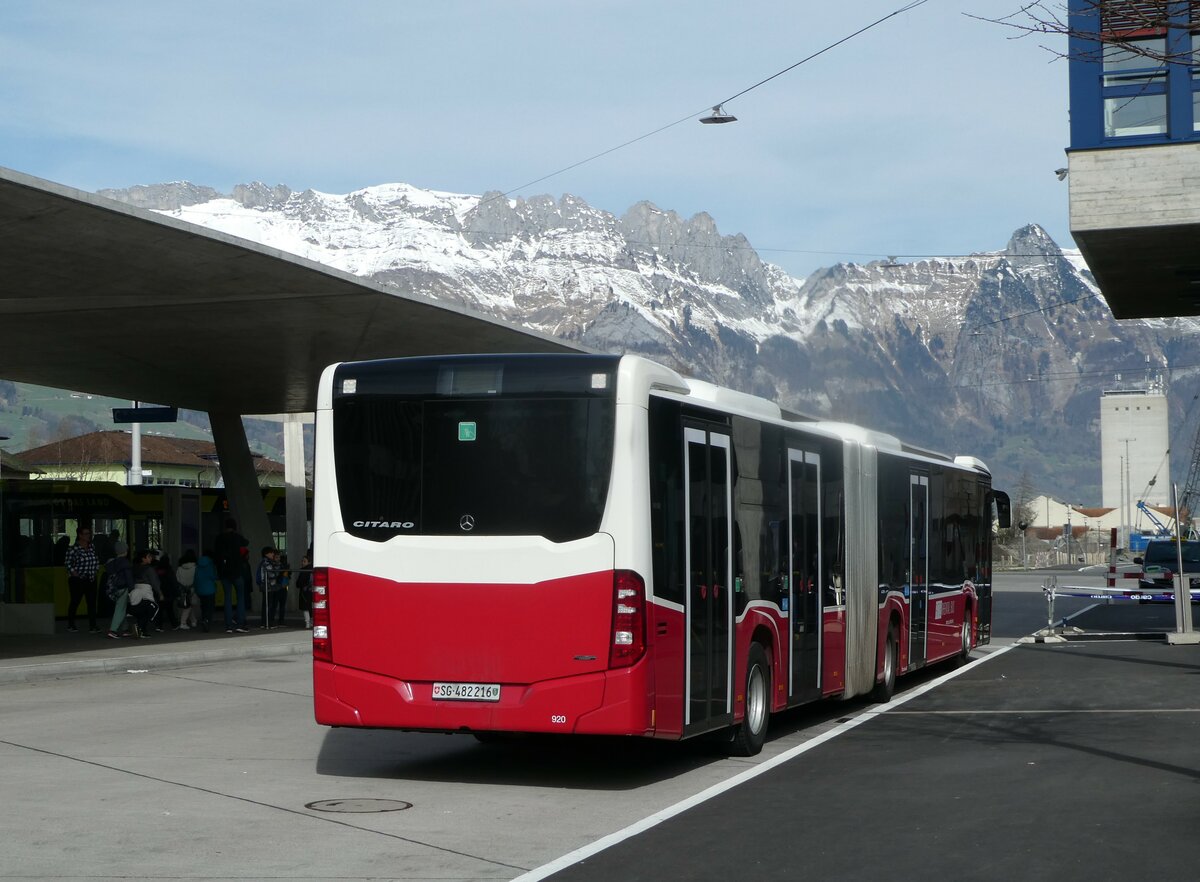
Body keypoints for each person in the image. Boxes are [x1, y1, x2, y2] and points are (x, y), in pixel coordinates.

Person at [212, 518, 249, 633]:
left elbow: (216, 555)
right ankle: (240, 624)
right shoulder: (237, 537)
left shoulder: (219, 538)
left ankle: (228, 626)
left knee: (227, 598)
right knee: (240, 598)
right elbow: (246, 543)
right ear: (235, 526)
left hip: (224, 573)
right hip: (237, 572)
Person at [63, 525, 100, 633]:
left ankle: (93, 626)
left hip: (91, 578)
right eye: (86, 534)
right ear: (80, 535)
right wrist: (74, 573)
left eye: (89, 533)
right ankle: (71, 624)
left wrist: (96, 569)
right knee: (75, 601)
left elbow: (96, 559)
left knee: (92, 603)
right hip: (78, 580)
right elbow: (67, 563)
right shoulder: (73, 548)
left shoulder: (92, 546)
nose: (89, 536)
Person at [127, 548, 161, 638]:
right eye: (149, 557)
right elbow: (154, 582)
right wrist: (160, 593)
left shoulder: (134, 567)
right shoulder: (149, 569)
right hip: (146, 591)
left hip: (135, 591)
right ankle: (140, 629)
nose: (151, 558)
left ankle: (141, 630)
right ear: (143, 558)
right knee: (151, 610)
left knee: (141, 611)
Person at [105, 541, 133, 639]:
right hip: (122, 588)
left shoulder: (111, 562)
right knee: (120, 609)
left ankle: (125, 629)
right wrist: (131, 589)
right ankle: (113, 630)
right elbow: (129, 577)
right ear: (125, 551)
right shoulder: (125, 562)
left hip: (113, 589)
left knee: (121, 608)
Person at [256, 546, 282, 628]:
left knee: (266, 604)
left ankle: (265, 622)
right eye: (271, 553)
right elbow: (272, 574)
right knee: (269, 605)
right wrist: (278, 570)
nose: (273, 554)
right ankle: (267, 623)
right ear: (266, 554)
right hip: (268, 586)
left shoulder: (266, 562)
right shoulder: (267, 563)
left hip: (267, 586)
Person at [193, 550, 218, 633]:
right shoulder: (211, 565)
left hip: (200, 590)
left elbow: (195, 578)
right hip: (210, 589)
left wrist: (196, 589)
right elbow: (214, 576)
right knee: (210, 607)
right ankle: (207, 621)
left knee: (203, 606)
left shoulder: (198, 565)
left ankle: (204, 619)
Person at [175, 549, 199, 630]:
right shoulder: (196, 568)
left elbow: (177, 579)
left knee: (188, 605)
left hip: (183, 589)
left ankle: (193, 621)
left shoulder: (179, 568)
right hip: (192, 589)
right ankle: (183, 622)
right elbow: (197, 579)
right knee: (189, 606)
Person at [155, 552, 180, 629]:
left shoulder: (157, 570)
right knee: (170, 609)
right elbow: (173, 582)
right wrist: (177, 593)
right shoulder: (169, 570)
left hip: (160, 591)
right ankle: (174, 624)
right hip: (169, 592)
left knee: (160, 610)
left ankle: (159, 625)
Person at [296, 553, 313, 630]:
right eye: (302, 561)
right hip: (311, 591)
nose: (302, 563)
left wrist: (299, 585)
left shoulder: (304, 570)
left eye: (304, 561)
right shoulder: (313, 570)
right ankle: (311, 622)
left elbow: (299, 583)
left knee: (305, 608)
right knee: (311, 607)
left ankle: (307, 623)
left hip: (304, 591)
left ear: (309, 562)